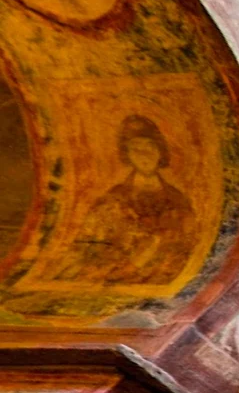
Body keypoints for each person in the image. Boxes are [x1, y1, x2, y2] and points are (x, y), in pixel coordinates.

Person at [52, 115, 195, 287]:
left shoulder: (178, 199)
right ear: (127, 154)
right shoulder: (113, 199)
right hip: (117, 278)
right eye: (136, 148)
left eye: (150, 146)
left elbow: (188, 247)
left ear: (160, 151)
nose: (144, 155)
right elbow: (87, 245)